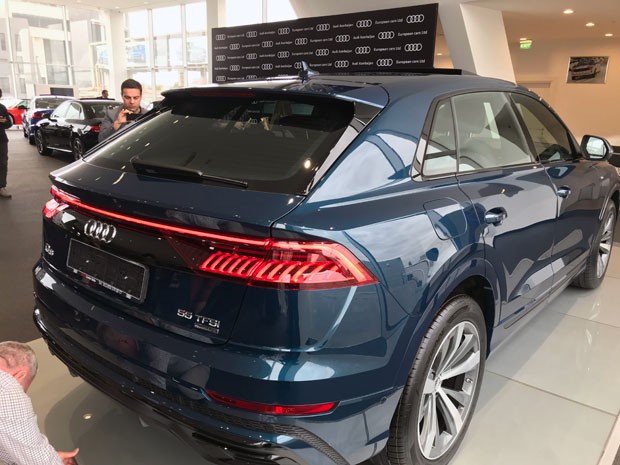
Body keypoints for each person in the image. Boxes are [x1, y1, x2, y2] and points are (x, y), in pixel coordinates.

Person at [0, 341, 79, 465]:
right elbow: (38, 461)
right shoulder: (9, 391)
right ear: (21, 374)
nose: (22, 392)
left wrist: (49, 456)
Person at [0, 89, 13, 199]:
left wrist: (4, 122)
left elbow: (9, 123)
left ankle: (1, 187)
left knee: (3, 163)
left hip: (1, 140)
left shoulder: (2, 108)